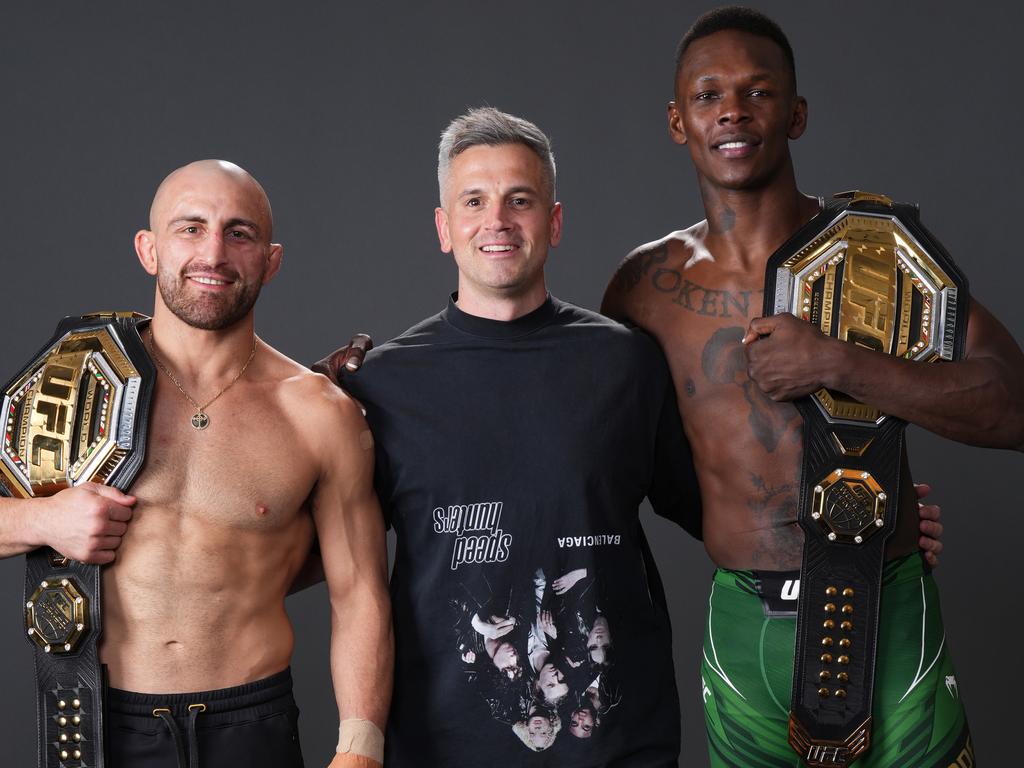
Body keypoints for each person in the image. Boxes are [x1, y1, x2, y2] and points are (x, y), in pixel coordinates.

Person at [600, 7, 1024, 767]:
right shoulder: (643, 286)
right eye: (707, 95)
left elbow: (1013, 403)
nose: (732, 109)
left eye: (757, 91)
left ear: (795, 114)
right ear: (677, 121)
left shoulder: (877, 253)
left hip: (885, 605)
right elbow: (609, 444)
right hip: (742, 625)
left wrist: (841, 364)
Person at [334, 107, 703, 766]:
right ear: (445, 229)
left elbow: (715, 507)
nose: (497, 220)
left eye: (520, 200)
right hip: (442, 744)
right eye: (473, 201)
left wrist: (876, 529)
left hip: (616, 744)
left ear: (553, 222)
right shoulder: (384, 384)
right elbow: (328, 560)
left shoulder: (627, 364)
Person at [0, 160, 391, 768]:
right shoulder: (74, 381)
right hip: (102, 722)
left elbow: (360, 591)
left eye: (240, 233)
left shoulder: (319, 413)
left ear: (271, 258)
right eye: (190, 228)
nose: (213, 252)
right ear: (148, 249)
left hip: (252, 722)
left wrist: (360, 749)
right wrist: (40, 522)